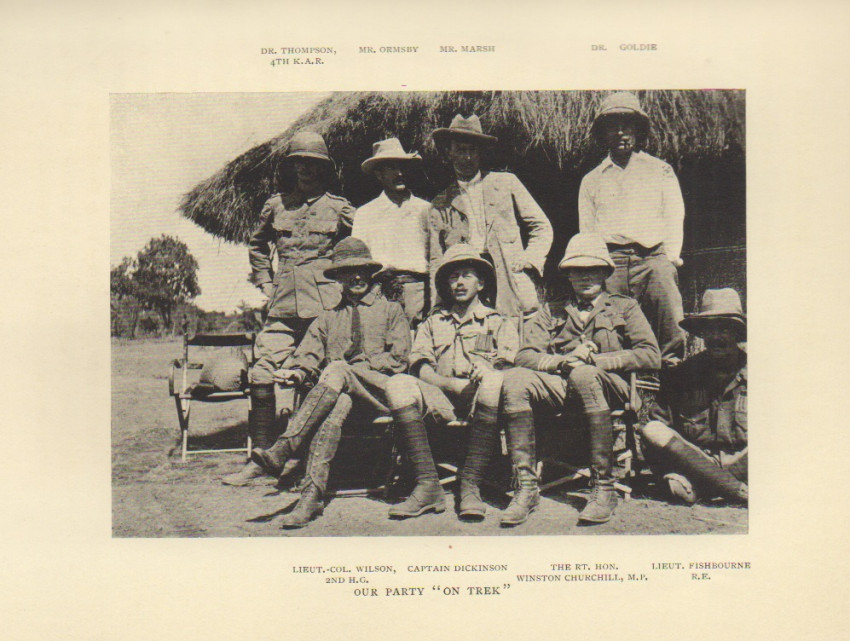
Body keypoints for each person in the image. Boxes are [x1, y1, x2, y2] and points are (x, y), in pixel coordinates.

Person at [499, 233, 660, 526]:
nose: (585, 276)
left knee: (584, 373)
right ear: (568, 275)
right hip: (563, 384)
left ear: (605, 273)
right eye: (577, 270)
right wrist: (563, 361)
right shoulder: (553, 310)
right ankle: (526, 488)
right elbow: (525, 355)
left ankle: (604, 488)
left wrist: (600, 361)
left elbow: (650, 354)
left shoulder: (625, 307)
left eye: (592, 269)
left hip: (610, 386)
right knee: (515, 380)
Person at [222, 131, 354, 486]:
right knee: (261, 372)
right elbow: (257, 245)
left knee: (319, 376)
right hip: (282, 308)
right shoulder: (277, 206)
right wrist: (265, 282)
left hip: (325, 308)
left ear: (323, 168)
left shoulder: (340, 209)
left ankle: (307, 463)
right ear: (292, 167)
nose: (306, 169)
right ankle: (259, 458)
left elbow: (357, 249)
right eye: (299, 163)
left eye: (313, 163)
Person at [249, 237, 410, 528]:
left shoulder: (391, 311)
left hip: (379, 395)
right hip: (342, 399)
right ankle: (311, 497)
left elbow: (399, 359)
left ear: (370, 273)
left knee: (338, 369)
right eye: (348, 272)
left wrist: (358, 369)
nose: (356, 277)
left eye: (361, 270)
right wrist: (297, 373)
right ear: (337, 278)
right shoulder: (327, 317)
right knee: (338, 402)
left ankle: (284, 448)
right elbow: (308, 356)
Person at [384, 244, 519, 521]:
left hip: (483, 401)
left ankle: (471, 486)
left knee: (495, 381)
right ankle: (427, 485)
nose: (459, 282)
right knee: (398, 383)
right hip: (440, 399)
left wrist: (489, 368)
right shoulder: (433, 323)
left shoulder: (497, 322)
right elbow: (419, 366)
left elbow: (508, 362)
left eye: (467, 275)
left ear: (481, 283)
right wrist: (447, 384)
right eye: (453, 277)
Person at [578, 91, 686, 367]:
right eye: (612, 126)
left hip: (652, 258)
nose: (620, 133)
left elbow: (675, 215)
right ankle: (618, 375)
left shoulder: (660, 170)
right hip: (611, 263)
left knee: (668, 312)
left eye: (627, 125)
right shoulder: (592, 180)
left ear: (638, 130)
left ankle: (672, 369)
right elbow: (587, 232)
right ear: (603, 134)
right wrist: (598, 267)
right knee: (610, 324)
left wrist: (670, 258)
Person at [428, 114, 553, 320]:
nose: (467, 157)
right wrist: (438, 303)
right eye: (461, 150)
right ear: (449, 152)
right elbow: (436, 259)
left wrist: (529, 259)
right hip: (468, 280)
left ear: (481, 152)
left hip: (507, 275)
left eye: (473, 150)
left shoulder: (506, 183)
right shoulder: (440, 203)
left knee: (515, 326)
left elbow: (541, 226)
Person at [640, 288, 748, 505]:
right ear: (701, 335)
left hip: (744, 464)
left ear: (737, 333)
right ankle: (733, 489)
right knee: (652, 429)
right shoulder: (682, 375)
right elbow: (656, 434)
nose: (715, 337)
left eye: (724, 329)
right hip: (696, 461)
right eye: (709, 330)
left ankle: (710, 485)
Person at [353, 137, 430, 325]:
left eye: (402, 167)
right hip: (380, 291)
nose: (399, 173)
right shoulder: (365, 213)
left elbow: (435, 255)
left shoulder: (425, 209)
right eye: (392, 168)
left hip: (418, 290)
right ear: (379, 174)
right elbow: (358, 261)